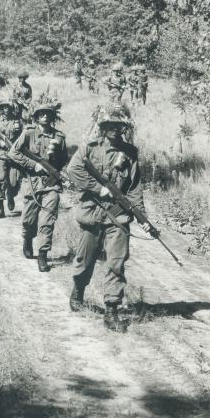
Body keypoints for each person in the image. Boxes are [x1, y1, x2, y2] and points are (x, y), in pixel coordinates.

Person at [67, 103, 150, 331]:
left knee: (116, 262)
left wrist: (139, 215)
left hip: (118, 216)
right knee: (85, 259)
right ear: (102, 126)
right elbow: (73, 170)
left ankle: (111, 310)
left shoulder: (130, 152)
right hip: (93, 213)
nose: (115, 129)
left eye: (119, 125)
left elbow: (134, 187)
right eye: (110, 124)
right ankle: (79, 289)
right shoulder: (89, 147)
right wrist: (97, 188)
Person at [8, 101, 68, 272]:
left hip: (51, 185)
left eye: (49, 114)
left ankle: (42, 255)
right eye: (42, 113)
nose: (45, 116)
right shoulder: (28, 133)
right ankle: (27, 240)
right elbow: (13, 153)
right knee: (28, 221)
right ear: (36, 117)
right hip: (32, 183)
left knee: (47, 222)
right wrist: (33, 165)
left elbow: (64, 159)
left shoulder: (60, 137)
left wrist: (53, 168)